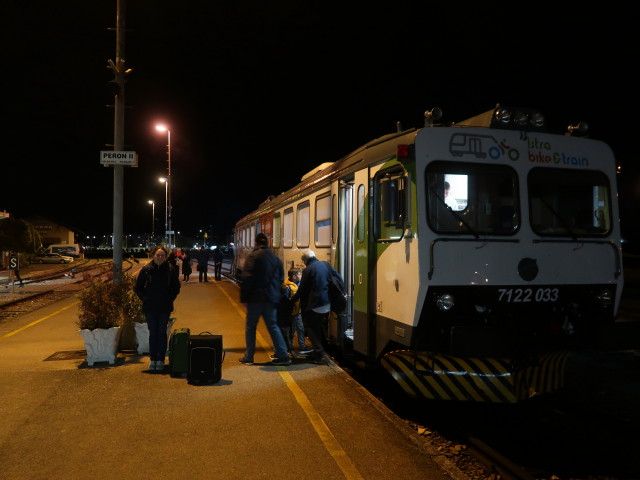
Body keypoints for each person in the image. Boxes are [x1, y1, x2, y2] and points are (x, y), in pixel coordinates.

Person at [238, 233, 291, 366]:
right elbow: (280, 280)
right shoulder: (276, 258)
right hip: (271, 299)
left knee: (251, 327)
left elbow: (247, 278)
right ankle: (284, 356)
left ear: (256, 243)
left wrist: (244, 298)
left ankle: (249, 357)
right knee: (273, 326)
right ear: (267, 243)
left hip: (256, 298)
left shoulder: (253, 256)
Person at [134, 246, 181, 371]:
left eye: (162, 255)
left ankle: (160, 359)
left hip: (164, 307)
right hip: (150, 307)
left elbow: (176, 288)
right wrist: (145, 299)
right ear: (153, 255)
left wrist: (169, 299)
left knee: (161, 333)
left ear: (165, 257)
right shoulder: (146, 270)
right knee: (153, 333)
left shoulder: (170, 269)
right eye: (158, 255)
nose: (160, 257)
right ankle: (153, 359)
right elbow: (138, 287)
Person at [293, 249, 334, 365]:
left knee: (310, 327)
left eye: (303, 261)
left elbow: (302, 290)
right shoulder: (326, 265)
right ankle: (319, 351)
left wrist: (292, 300)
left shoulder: (308, 270)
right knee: (318, 327)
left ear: (305, 260)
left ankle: (320, 353)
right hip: (326, 304)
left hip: (315, 305)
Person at [283, 268, 311, 355]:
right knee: (291, 331)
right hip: (291, 314)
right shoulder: (287, 287)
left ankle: (302, 346)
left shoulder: (299, 284)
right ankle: (289, 348)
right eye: (299, 275)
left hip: (298, 312)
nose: (301, 276)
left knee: (301, 329)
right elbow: (285, 300)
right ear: (294, 276)